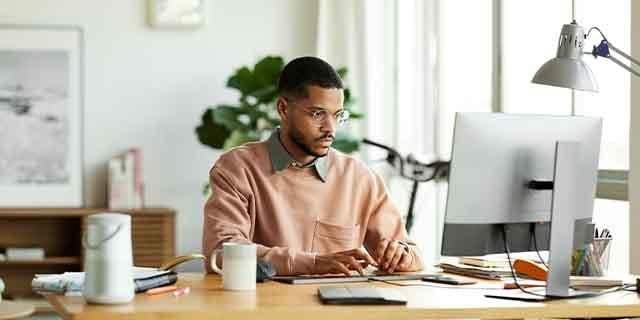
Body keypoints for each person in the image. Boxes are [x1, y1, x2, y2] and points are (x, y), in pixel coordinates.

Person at [202, 56, 423, 276]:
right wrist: (313, 263)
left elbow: (411, 253)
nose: (331, 129)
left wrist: (400, 256)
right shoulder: (237, 169)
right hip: (266, 308)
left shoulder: (360, 179)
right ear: (283, 108)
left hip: (341, 309)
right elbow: (221, 254)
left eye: (337, 116)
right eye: (317, 114)